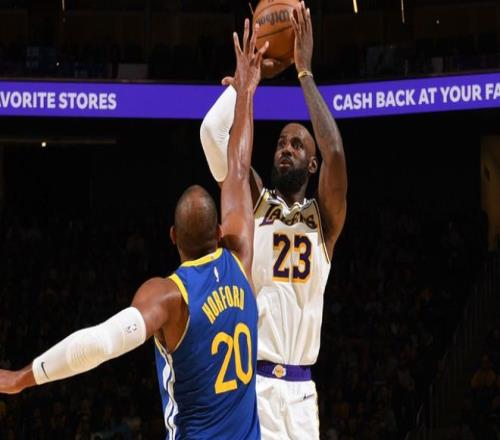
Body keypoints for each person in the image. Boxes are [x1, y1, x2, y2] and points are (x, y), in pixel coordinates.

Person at [0, 21, 268, 440]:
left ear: (172, 236)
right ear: (220, 232)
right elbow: (237, 165)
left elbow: (100, 344)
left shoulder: (170, 297)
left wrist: (20, 378)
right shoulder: (241, 257)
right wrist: (247, 91)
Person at [200, 2, 347, 438]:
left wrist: (304, 72)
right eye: (282, 142)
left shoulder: (325, 223)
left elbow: (335, 152)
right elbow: (212, 134)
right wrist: (243, 86)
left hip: (301, 396)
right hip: (255, 383)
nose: (286, 148)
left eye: (297, 145)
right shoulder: (253, 203)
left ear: (312, 165)